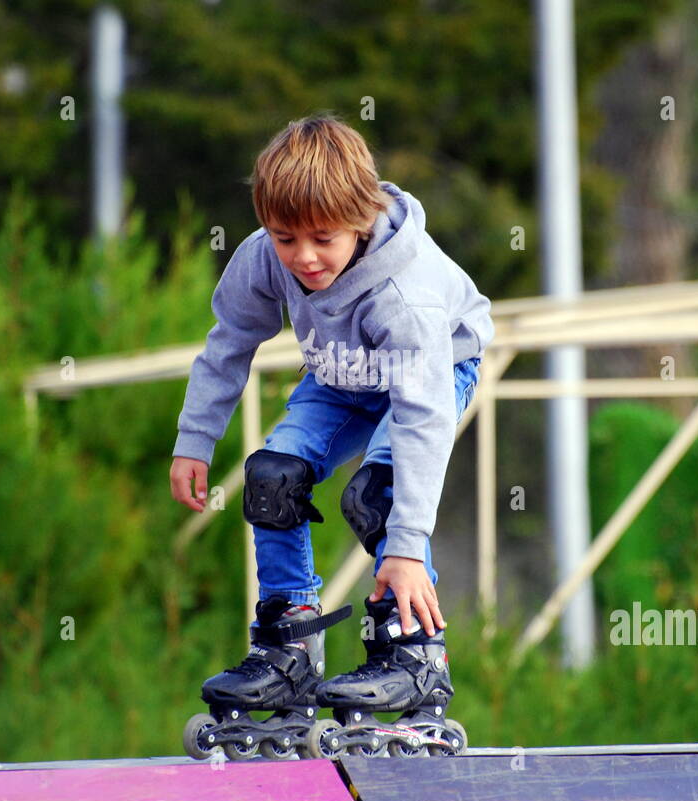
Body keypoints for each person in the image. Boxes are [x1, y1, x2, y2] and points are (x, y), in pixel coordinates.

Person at [171, 113, 492, 759]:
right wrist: (195, 440)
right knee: (272, 479)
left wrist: (404, 546)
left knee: (377, 493)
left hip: (431, 372)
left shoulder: (406, 295)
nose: (304, 259)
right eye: (286, 238)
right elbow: (229, 342)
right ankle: (289, 649)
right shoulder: (265, 256)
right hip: (341, 379)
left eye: (323, 239)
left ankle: (412, 653)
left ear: (362, 218)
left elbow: (423, 418)